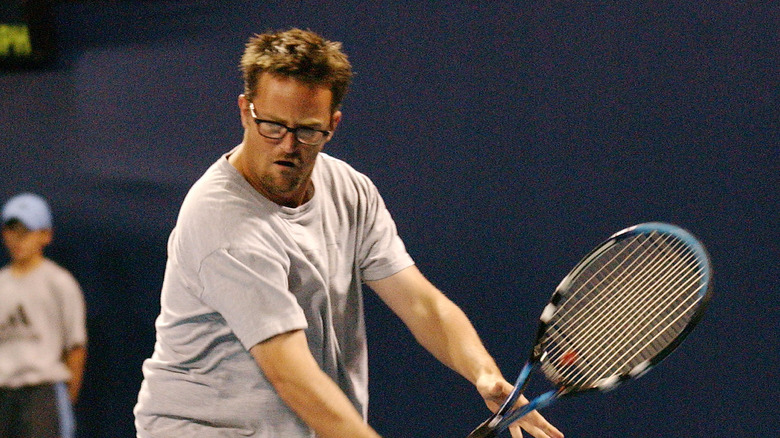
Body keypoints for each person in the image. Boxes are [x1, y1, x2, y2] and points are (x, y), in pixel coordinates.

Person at [134, 28, 563, 438]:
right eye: (272, 126)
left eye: (306, 130)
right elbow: (290, 373)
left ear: (332, 125)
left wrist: (482, 372)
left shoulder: (350, 190)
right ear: (245, 110)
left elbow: (420, 302)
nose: (287, 145)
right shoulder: (222, 221)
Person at [0, 193, 87, 438]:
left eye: (26, 231)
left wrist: (65, 403)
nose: (17, 239)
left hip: (43, 395)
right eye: (11, 230)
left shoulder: (59, 283)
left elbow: (76, 347)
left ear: (45, 235)